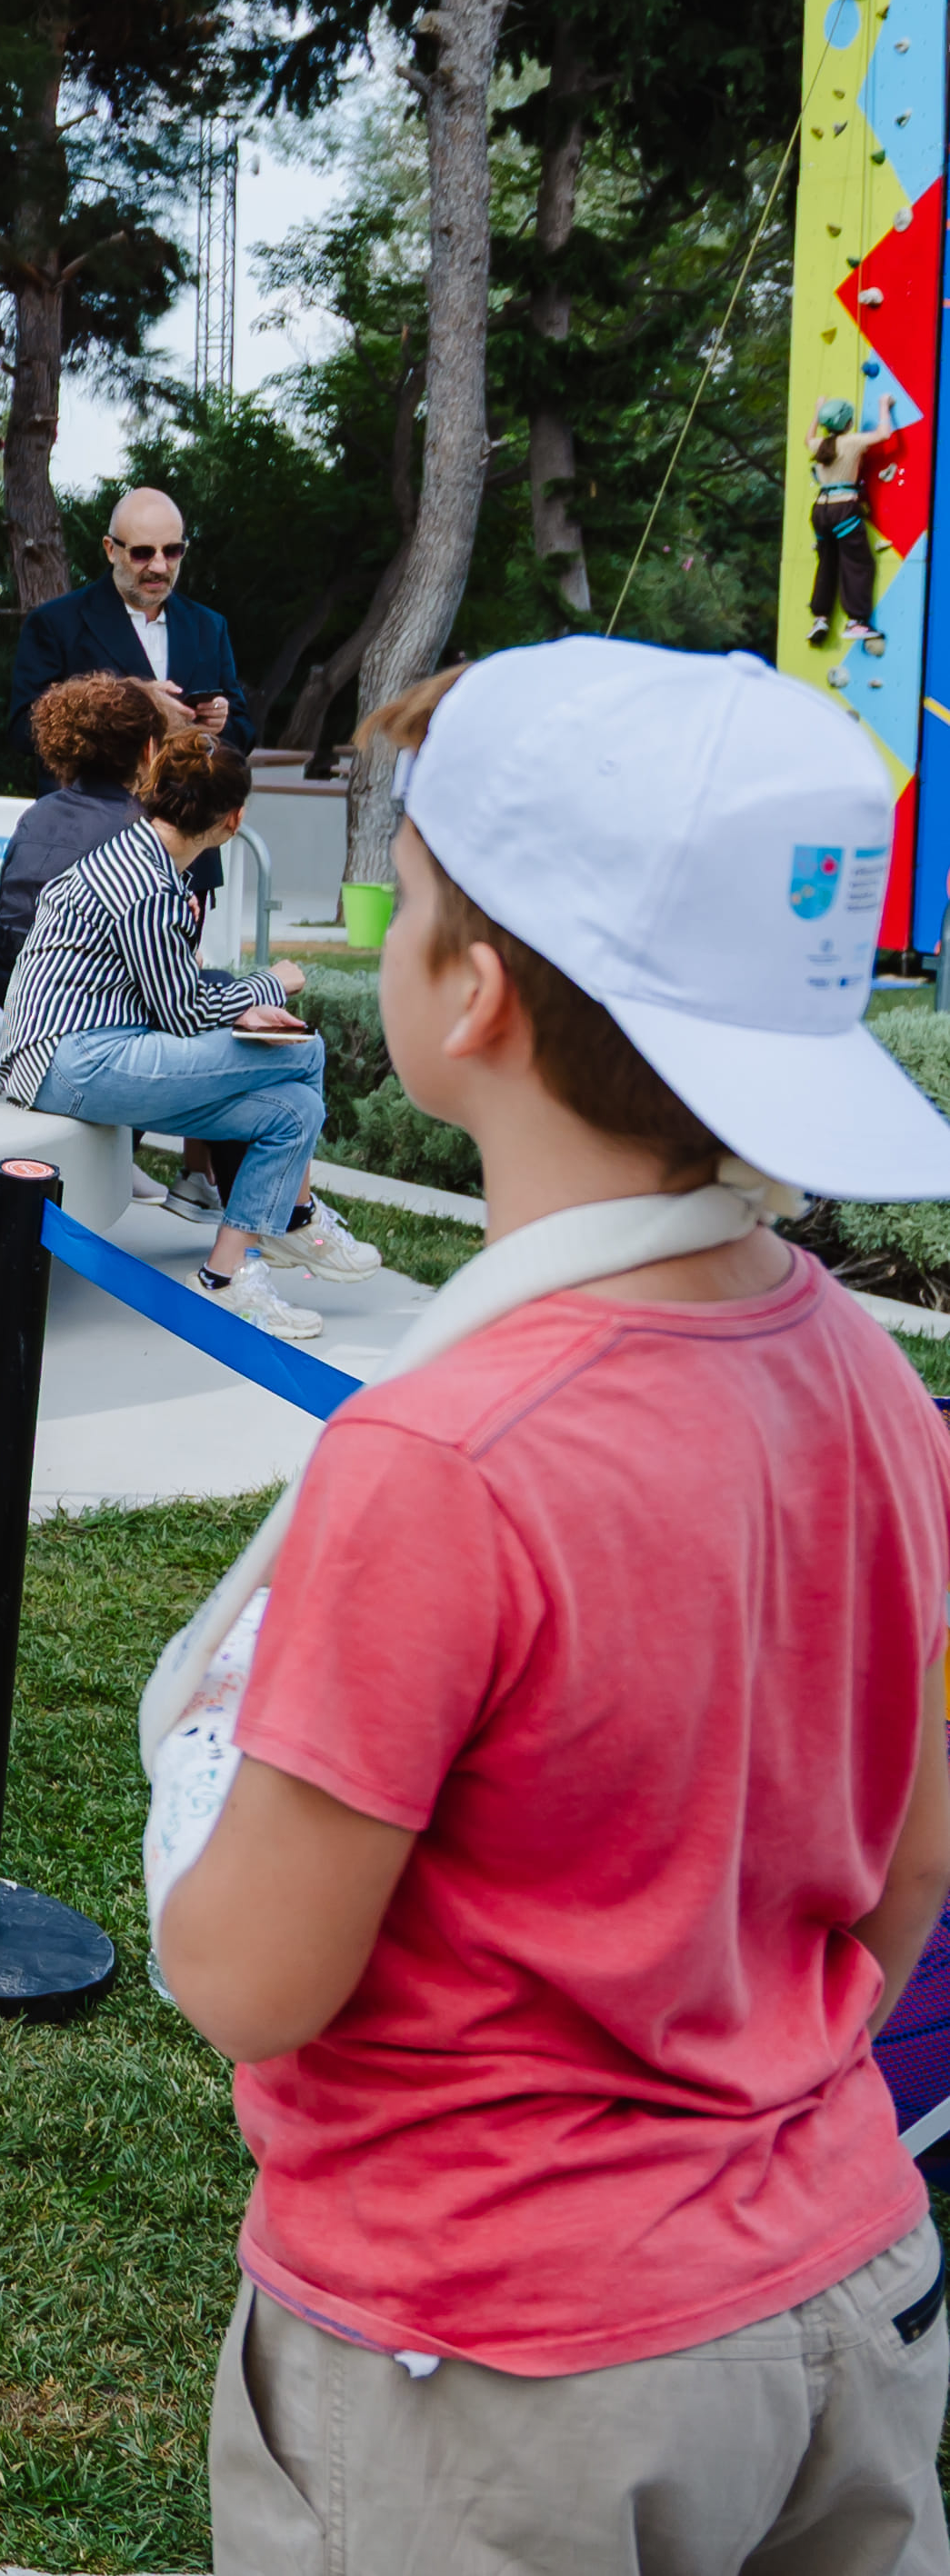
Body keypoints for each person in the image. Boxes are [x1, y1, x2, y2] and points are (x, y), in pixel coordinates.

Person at [154, 637, 950, 2576]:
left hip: (498, 2374)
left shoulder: (442, 1457)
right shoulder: (876, 1384)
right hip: (839, 2280)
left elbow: (249, 1981)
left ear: (471, 992)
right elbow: (908, 1869)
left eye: (403, 893)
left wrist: (200, 1786)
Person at [0, 730, 378, 1337]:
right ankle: (296, 1217)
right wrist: (269, 985)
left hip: (72, 1055)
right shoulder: (149, 886)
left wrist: (237, 1010)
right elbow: (182, 1014)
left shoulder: (135, 857)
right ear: (234, 820)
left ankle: (226, 1275)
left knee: (295, 1111)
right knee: (306, 1050)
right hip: (72, 1060)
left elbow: (168, 997)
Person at [10, 486, 253, 764]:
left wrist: (221, 724)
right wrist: (129, 706)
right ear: (111, 549)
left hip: (184, 792)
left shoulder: (209, 625)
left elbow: (243, 734)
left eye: (172, 551)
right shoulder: (55, 623)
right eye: (142, 553)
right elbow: (24, 731)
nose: (159, 566)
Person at [0, 669, 172, 999]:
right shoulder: (140, 831)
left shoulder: (37, 815)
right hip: (80, 1004)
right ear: (149, 750)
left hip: (7, 992)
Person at [814, 399, 891, 658]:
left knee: (826, 563)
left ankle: (820, 617)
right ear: (848, 423)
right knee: (857, 563)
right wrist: (883, 404)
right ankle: (856, 621)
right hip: (843, 508)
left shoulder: (819, 444)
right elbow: (884, 434)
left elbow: (807, 439)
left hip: (820, 510)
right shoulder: (852, 441)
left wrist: (817, 411)